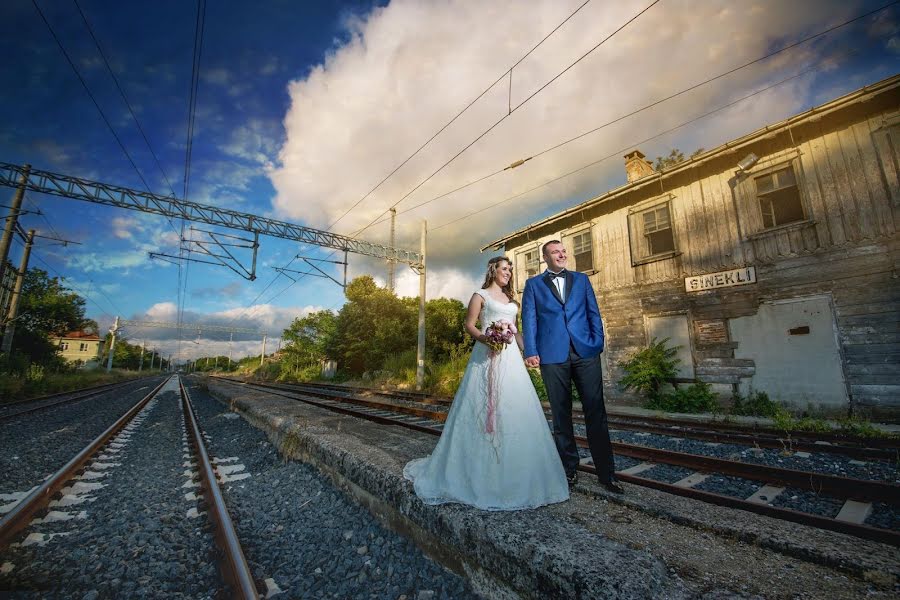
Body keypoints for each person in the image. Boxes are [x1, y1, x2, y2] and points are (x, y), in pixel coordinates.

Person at [404, 256, 569, 510]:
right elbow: (469, 325)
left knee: (515, 409)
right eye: (505, 269)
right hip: (486, 357)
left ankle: (519, 475)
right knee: (482, 409)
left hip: (511, 360)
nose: (509, 273)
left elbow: (517, 331)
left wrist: (529, 353)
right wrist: (487, 339)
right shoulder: (479, 295)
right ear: (493, 271)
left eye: (511, 270)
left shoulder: (513, 301)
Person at [522, 240, 623, 494]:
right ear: (544, 257)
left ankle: (606, 473)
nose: (562, 254)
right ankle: (568, 470)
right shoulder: (533, 285)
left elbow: (593, 313)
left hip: (585, 351)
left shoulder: (581, 280)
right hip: (552, 355)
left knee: (595, 412)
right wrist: (531, 350)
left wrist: (597, 342)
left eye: (563, 251)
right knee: (561, 415)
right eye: (555, 252)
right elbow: (529, 319)